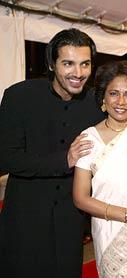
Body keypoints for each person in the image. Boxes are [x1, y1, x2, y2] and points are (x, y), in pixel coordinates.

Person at [0, 28, 104, 277]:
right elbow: (6, 157)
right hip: (23, 222)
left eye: (85, 64)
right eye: (68, 63)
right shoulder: (19, 96)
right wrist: (65, 160)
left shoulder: (96, 104)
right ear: (51, 63)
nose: (78, 73)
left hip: (70, 225)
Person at [72, 61, 127, 277]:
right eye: (113, 93)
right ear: (103, 97)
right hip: (107, 232)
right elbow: (80, 198)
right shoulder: (88, 138)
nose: (121, 101)